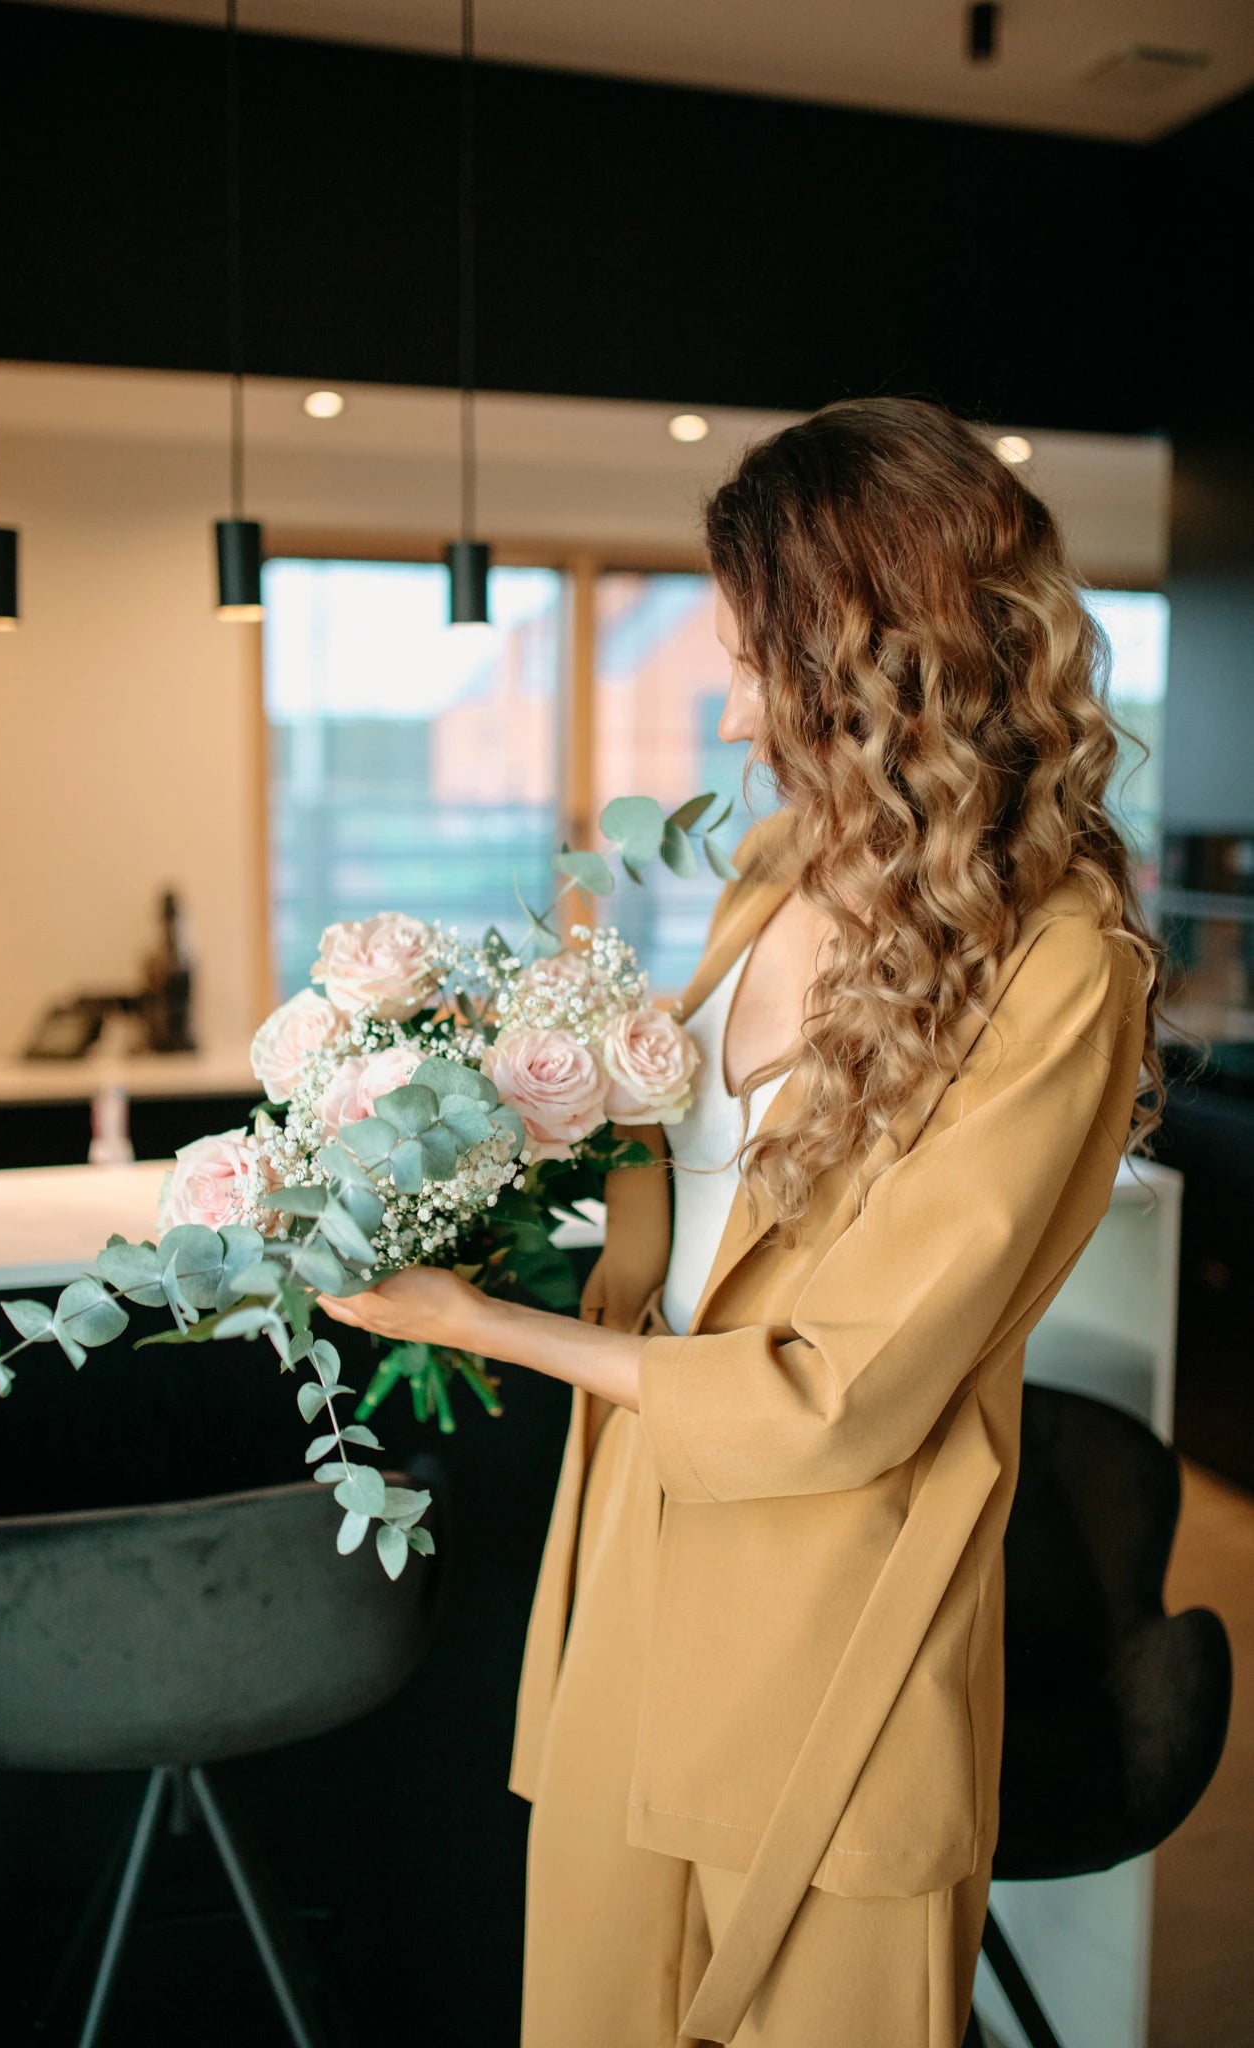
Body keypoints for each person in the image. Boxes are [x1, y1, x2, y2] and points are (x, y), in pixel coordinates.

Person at [320, 397, 1162, 2047]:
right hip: (636, 1518)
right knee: (590, 2003)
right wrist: (493, 1116)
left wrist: (479, 1324)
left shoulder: (1060, 967)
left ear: (874, 661)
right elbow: (696, 1208)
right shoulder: (769, 867)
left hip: (833, 1579)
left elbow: (843, 1391)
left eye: (749, 663)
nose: (725, 709)